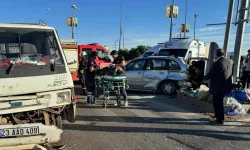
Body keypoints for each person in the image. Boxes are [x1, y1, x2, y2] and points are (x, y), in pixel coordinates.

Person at [204, 48, 233, 125]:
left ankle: (219, 119)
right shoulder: (230, 61)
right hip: (226, 85)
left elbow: (210, 74)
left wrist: (203, 78)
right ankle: (218, 115)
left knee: (217, 102)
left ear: (216, 54)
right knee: (219, 102)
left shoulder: (217, 63)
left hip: (218, 86)